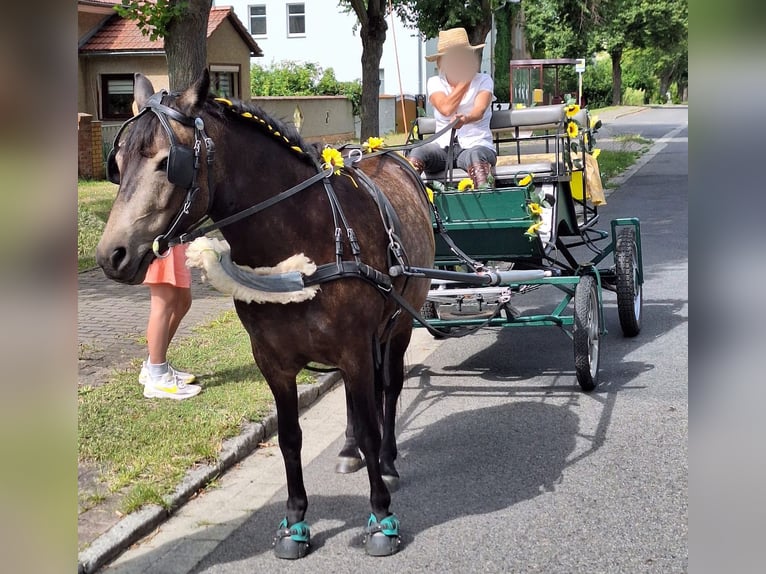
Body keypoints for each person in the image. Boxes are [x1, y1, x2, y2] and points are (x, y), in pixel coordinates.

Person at [409, 27, 497, 188]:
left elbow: (479, 110)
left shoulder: (484, 80)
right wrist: (466, 80)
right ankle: (408, 202)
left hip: (476, 146)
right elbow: (446, 108)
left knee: (476, 157)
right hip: (442, 150)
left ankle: (486, 202)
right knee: (417, 152)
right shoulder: (434, 82)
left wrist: (465, 119)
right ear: (441, 62)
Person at [138, 244, 201, 399]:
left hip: (177, 242)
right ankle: (157, 377)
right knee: (163, 304)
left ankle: (152, 364)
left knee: (182, 302)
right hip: (163, 243)